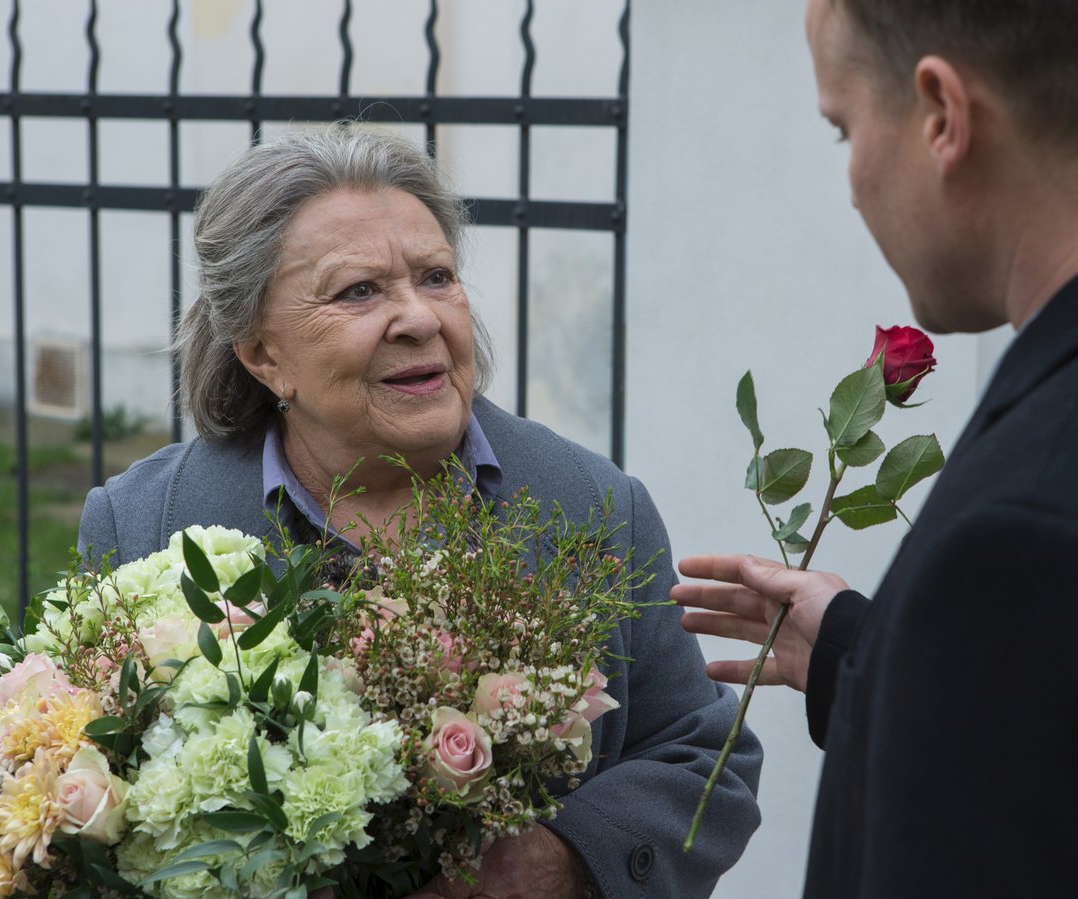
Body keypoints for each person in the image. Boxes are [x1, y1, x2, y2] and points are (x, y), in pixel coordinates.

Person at [78, 126, 762, 898]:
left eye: (436, 277)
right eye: (358, 291)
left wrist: (569, 858)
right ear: (263, 353)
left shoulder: (594, 507)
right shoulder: (141, 525)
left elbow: (706, 754)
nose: (418, 318)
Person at [673, 1, 1078, 896]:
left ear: (941, 115)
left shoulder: (1018, 536)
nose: (853, 178)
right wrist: (872, 650)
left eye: (842, 128)